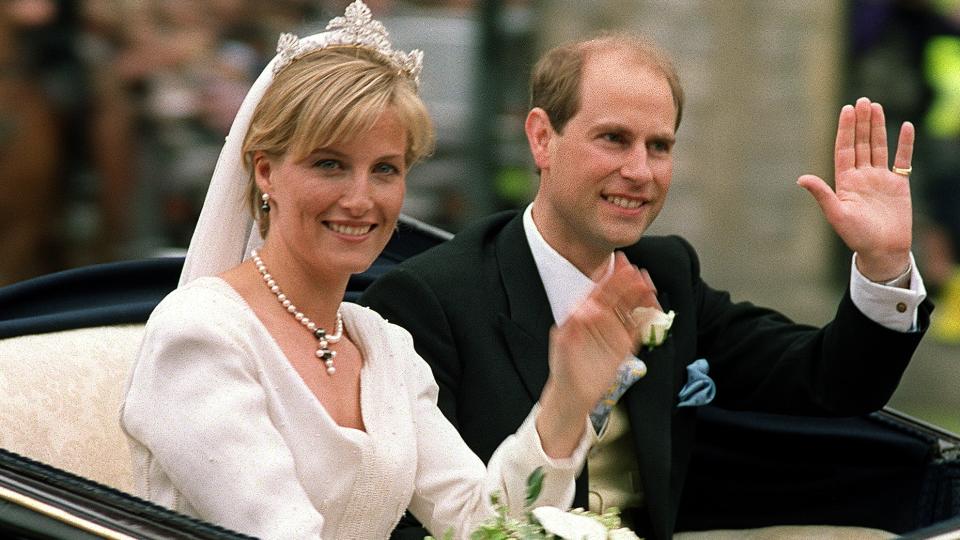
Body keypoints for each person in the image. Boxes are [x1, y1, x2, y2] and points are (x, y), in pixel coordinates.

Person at [360, 34, 933, 540]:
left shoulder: (667, 272)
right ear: (542, 139)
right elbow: (410, 524)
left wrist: (882, 262)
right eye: (613, 138)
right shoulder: (428, 301)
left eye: (659, 146)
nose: (641, 171)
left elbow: (828, 382)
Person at [119, 4, 657, 539]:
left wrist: (566, 401)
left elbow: (483, 523)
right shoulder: (203, 334)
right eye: (329, 164)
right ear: (266, 172)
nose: (360, 199)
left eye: (384, 170)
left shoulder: (383, 348)